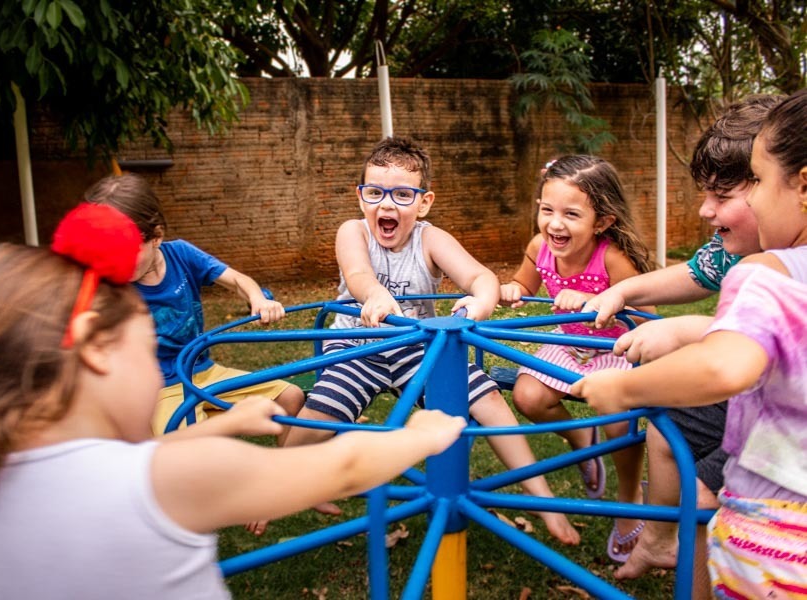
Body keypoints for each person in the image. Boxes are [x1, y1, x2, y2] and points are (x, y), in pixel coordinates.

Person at [0, 203, 468, 599]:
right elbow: (342, 465)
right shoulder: (172, 480)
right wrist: (419, 436)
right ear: (97, 352)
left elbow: (139, 465)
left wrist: (225, 424)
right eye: (144, 343)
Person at [282, 136, 580, 545]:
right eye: (375, 193)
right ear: (360, 197)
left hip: (419, 348)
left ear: (424, 202)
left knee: (489, 400)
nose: (387, 206)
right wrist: (374, 294)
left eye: (402, 195)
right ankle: (280, 484)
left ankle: (542, 500)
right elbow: (357, 275)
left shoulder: (429, 238)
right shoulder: (352, 231)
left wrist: (480, 301)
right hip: (358, 344)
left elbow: (481, 277)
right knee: (323, 414)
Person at [571, 87, 807, 599]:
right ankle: (659, 540)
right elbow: (694, 275)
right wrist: (625, 290)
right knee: (675, 435)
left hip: (778, 514)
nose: (704, 210)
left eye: (730, 194)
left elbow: (731, 363)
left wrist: (630, 384)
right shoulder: (744, 254)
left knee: (700, 493)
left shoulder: (767, 269)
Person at [499, 155, 655, 563]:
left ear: (601, 221)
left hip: (614, 347)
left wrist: (596, 301)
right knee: (529, 397)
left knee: (619, 421)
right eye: (547, 210)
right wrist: (513, 288)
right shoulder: (540, 248)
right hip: (569, 344)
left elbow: (646, 315)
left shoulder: (613, 258)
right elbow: (523, 281)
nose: (554, 224)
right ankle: (582, 440)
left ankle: (629, 498)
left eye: (571, 214)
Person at [84, 174, 304, 440]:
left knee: (291, 397)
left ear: (156, 237)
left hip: (204, 370)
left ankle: (286, 475)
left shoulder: (180, 254)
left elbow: (236, 280)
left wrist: (257, 297)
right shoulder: (110, 285)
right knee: (194, 448)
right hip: (161, 387)